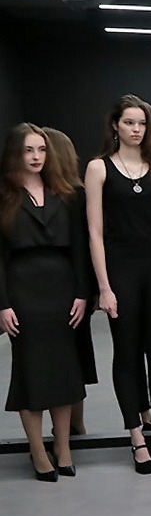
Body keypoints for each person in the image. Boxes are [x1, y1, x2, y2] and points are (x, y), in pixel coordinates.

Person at [84, 96, 151, 474]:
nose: (136, 129)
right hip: (121, 271)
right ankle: (136, 437)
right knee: (126, 353)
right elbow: (95, 232)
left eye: (141, 123)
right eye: (129, 122)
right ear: (115, 125)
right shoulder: (99, 168)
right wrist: (104, 287)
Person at [0, 123, 89, 481]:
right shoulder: (4, 195)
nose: (36, 157)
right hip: (22, 292)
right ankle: (38, 451)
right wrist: (3, 303)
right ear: (15, 154)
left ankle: (63, 447)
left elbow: (80, 247)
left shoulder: (65, 192)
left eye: (41, 150)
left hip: (62, 290)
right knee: (31, 372)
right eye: (29, 150)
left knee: (64, 371)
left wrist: (82, 292)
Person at [43, 128, 97, 437]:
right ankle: (69, 426)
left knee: (73, 357)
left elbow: (85, 246)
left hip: (73, 288)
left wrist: (86, 291)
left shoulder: (76, 195)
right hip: (46, 288)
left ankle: (74, 425)